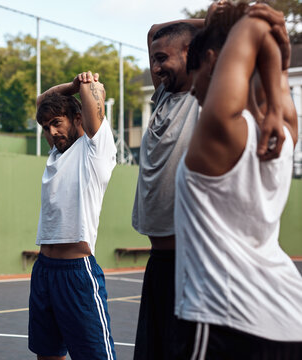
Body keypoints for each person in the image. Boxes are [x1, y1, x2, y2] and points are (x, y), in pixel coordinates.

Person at [173, 2, 302, 357]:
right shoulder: (285, 133)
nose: (192, 90)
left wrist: (250, 18)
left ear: (213, 62)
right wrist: (277, 54)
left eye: (194, 74)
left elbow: (254, 28)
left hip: (224, 322)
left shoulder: (220, 132)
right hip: (291, 322)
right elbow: (272, 64)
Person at [28, 71, 117, 360]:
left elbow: (90, 97)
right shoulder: (57, 153)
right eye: (46, 126)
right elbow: (43, 100)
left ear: (77, 119)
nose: (52, 132)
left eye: (57, 123)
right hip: (44, 271)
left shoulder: (94, 152)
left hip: (76, 275)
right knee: (48, 355)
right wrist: (69, 87)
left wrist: (86, 84)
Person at [131, 19, 202, 360]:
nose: (155, 67)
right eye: (154, 59)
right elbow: (154, 30)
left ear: (190, 53)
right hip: (159, 262)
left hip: (190, 263)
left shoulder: (202, 95)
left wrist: (197, 28)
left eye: (163, 58)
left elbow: (237, 23)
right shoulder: (162, 95)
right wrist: (164, 34)